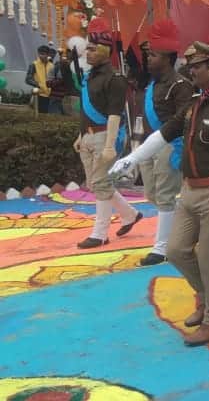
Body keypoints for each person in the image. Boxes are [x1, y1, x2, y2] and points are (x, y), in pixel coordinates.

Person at [109, 41, 209, 346]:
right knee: (176, 250)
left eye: (198, 67)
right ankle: (206, 296)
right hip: (190, 190)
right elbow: (163, 134)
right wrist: (132, 158)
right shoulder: (194, 104)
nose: (191, 71)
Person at [75, 17, 144, 249]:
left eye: (93, 49)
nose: (88, 52)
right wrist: (80, 135)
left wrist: (109, 145)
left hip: (106, 135)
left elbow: (115, 114)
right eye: (88, 48)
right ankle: (130, 214)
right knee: (97, 184)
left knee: (100, 183)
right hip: (88, 135)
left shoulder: (115, 79)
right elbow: (86, 108)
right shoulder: (89, 77)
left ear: (105, 50)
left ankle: (100, 232)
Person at [137, 20, 195, 266]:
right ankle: (177, 232)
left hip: (169, 145)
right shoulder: (152, 84)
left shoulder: (181, 86)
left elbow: (182, 121)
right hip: (148, 144)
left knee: (164, 195)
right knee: (151, 193)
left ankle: (162, 248)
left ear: (169, 58)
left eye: (154, 55)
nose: (149, 59)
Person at [27, 45, 54, 113]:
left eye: (43, 54)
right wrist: (39, 85)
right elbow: (28, 79)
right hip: (39, 95)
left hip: (50, 95)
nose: (41, 56)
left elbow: (54, 79)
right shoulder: (33, 65)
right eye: (40, 53)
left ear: (48, 54)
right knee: (38, 116)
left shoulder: (52, 66)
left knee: (48, 117)